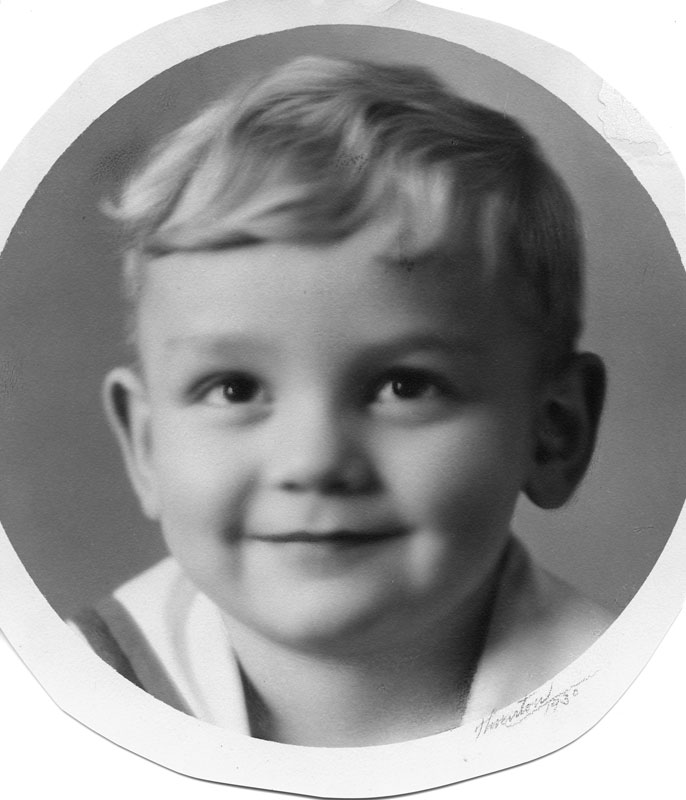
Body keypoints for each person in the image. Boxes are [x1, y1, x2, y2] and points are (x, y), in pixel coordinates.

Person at [69, 55, 614, 747]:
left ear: (555, 431)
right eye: (235, 388)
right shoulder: (59, 708)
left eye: (405, 386)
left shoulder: (635, 716)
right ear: (146, 446)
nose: (315, 461)